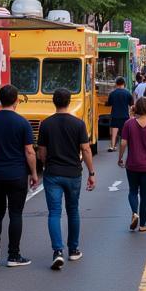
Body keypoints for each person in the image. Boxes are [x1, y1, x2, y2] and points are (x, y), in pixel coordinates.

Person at [0, 83, 37, 268]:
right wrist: (34, 173)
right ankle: (13, 255)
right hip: (17, 174)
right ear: (16, 100)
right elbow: (29, 152)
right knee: (15, 214)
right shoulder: (23, 123)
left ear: (0, 100)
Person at [37, 88, 96, 269]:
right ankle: (73, 249)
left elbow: (41, 152)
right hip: (73, 174)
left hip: (53, 173)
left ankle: (57, 251)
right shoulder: (78, 124)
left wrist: (46, 164)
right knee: (73, 210)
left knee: (54, 212)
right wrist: (91, 173)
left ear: (53, 102)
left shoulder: (45, 124)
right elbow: (86, 150)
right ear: (69, 102)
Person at [119, 96, 146, 232]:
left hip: (132, 164)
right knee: (145, 195)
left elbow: (123, 143)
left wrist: (120, 157)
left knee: (132, 191)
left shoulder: (129, 124)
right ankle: (142, 224)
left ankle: (134, 213)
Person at [107, 77, 134, 152]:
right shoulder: (128, 93)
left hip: (115, 115)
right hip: (125, 116)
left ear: (116, 84)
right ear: (124, 84)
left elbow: (109, 104)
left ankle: (112, 146)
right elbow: (131, 104)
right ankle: (124, 146)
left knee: (114, 131)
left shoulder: (112, 93)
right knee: (124, 134)